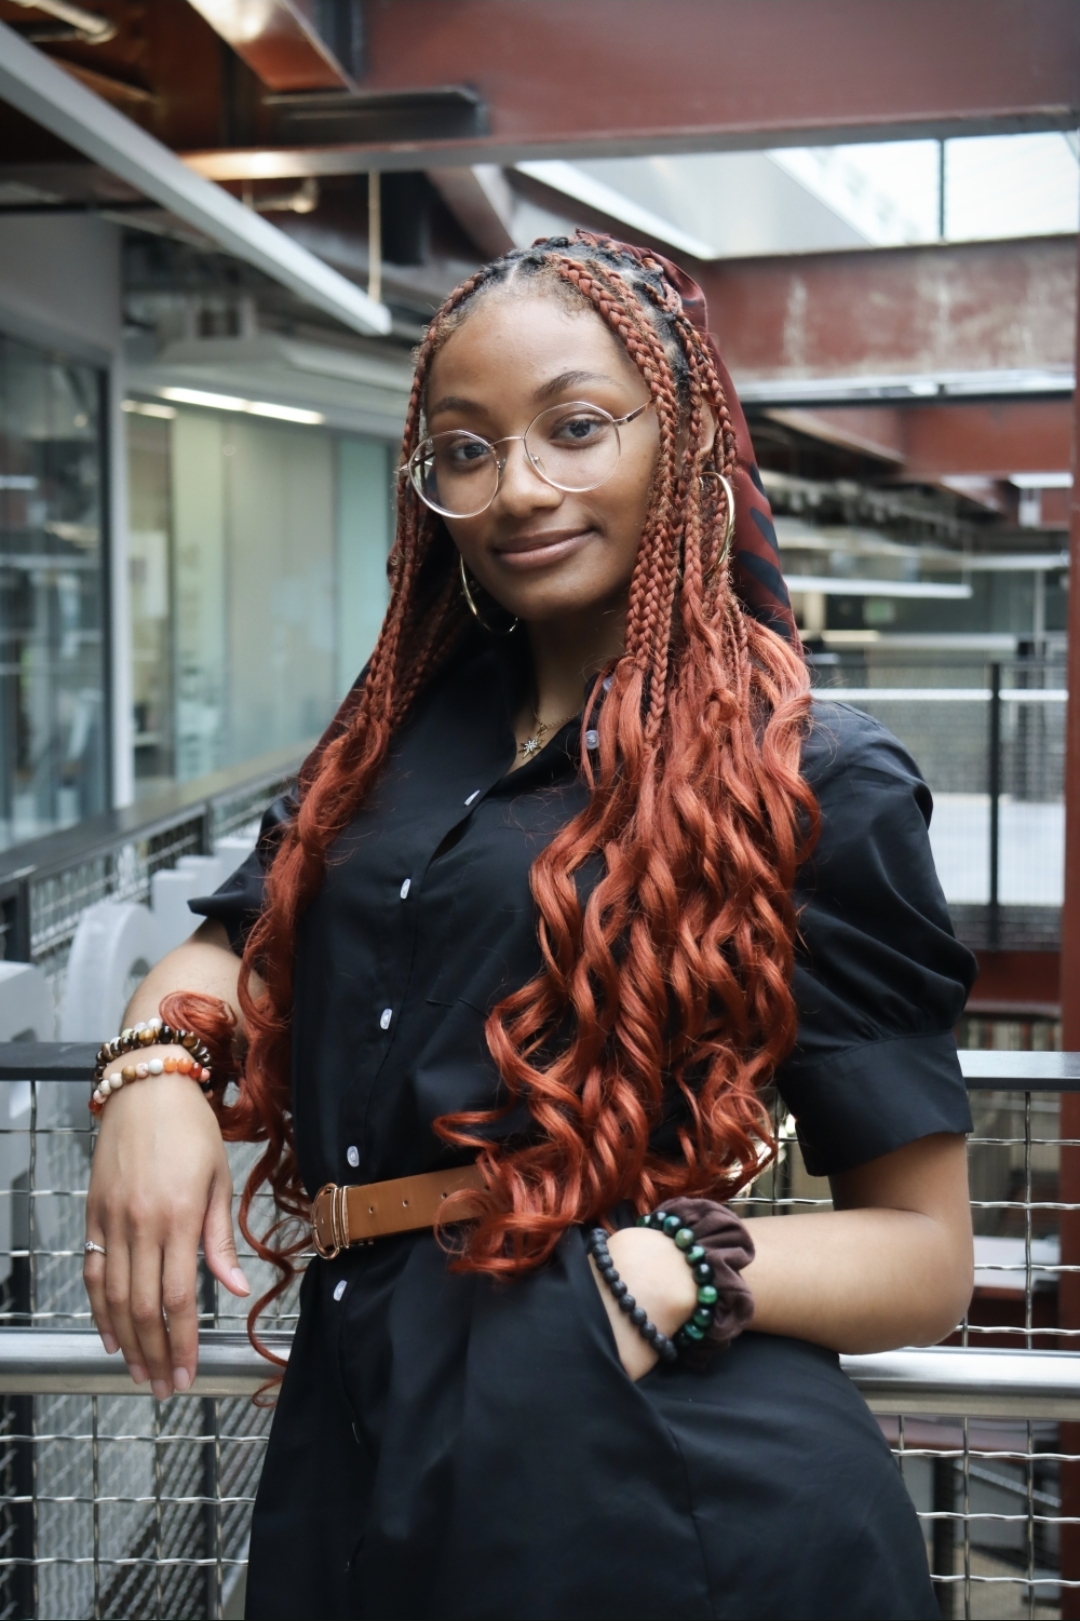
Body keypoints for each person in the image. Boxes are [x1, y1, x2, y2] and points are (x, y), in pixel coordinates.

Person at [83, 233, 976, 1621]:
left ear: (680, 443)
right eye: (466, 449)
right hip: (361, 1410)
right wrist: (153, 1072)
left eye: (575, 428)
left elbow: (925, 1254)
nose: (518, 489)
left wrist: (649, 1278)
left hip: (658, 1471)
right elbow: (224, 949)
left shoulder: (809, 775)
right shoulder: (387, 743)